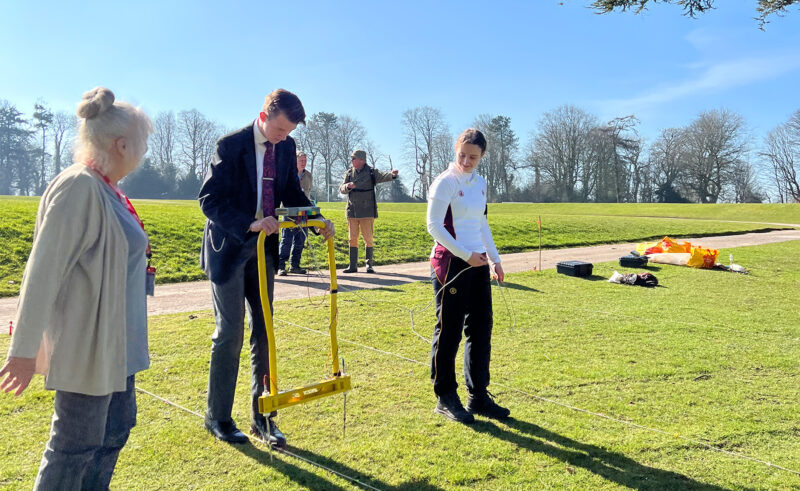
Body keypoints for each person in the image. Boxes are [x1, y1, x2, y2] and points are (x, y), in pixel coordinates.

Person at [0, 87, 153, 489]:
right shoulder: (79, 187)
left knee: (116, 430)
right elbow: (42, 272)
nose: (144, 151)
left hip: (118, 346)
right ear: (121, 145)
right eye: (142, 143)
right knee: (75, 445)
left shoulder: (108, 188)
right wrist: (23, 352)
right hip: (88, 347)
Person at [198, 89, 334, 447]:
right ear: (264, 114)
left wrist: (317, 219)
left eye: (288, 133)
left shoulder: (286, 149)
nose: (282, 138)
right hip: (229, 249)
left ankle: (263, 416)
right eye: (278, 130)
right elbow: (208, 201)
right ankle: (219, 418)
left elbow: (292, 193)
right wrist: (250, 223)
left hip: (265, 254)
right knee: (230, 333)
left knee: (264, 333)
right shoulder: (230, 146)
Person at [426, 128, 510, 424]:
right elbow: (434, 226)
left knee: (481, 329)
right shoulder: (445, 183)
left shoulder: (480, 183)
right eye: (462, 154)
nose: (466, 161)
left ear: (482, 156)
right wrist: (465, 255)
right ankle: (445, 396)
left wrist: (495, 260)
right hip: (452, 264)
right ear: (455, 149)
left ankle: (479, 395)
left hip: (478, 265)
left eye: (473, 157)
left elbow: (482, 223)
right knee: (448, 331)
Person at [338, 149, 398, 273]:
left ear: (361, 160)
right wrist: (347, 186)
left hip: (367, 211)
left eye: (354, 158)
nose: (352, 161)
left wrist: (392, 175)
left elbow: (384, 176)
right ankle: (352, 265)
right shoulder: (349, 173)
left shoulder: (371, 172)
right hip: (352, 210)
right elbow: (341, 188)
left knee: (368, 238)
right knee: (352, 238)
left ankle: (368, 265)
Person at [277, 151, 313, 275]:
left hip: (303, 212)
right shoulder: (287, 174)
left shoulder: (308, 175)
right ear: (295, 161)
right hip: (288, 212)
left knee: (301, 239)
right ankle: (281, 266)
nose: (304, 163)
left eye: (305, 160)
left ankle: (295, 265)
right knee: (286, 239)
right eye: (301, 160)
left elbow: (308, 194)